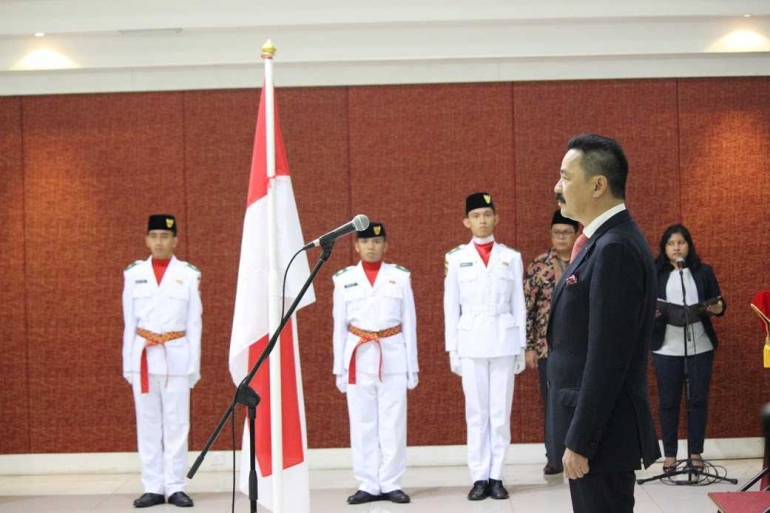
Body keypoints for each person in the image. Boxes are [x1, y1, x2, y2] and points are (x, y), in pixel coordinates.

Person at [547, 134, 660, 513]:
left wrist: (580, 439)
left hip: (601, 437)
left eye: (565, 177)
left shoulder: (615, 248)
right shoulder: (601, 242)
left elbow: (607, 357)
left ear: (598, 184)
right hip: (596, 430)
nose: (557, 186)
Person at [444, 192, 526, 501]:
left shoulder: (511, 257)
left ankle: (497, 475)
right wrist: (453, 348)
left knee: (500, 414)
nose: (482, 220)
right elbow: (451, 306)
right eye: (476, 215)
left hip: (504, 339)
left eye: (487, 214)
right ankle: (478, 476)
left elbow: (519, 303)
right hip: (471, 340)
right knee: (476, 414)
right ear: (467, 221)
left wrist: (521, 345)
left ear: (496, 218)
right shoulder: (456, 258)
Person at [332, 222, 419, 505]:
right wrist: (339, 369)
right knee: (362, 423)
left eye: (377, 241)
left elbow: (410, 324)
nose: (371, 246)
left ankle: (392, 482)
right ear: (356, 245)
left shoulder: (400, 278)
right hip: (358, 358)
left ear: (386, 245)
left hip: (392, 356)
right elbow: (339, 328)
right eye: (365, 241)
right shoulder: (344, 279)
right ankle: (368, 482)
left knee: (393, 423)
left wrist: (412, 366)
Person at [122, 214, 202, 509]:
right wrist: (128, 364)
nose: (159, 241)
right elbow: (128, 322)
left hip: (177, 356)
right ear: (146, 239)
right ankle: (153, 486)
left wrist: (194, 366)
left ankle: (175, 485)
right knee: (148, 424)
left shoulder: (188, 274)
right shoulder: (133, 274)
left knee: (177, 424)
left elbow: (195, 324)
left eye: (165, 236)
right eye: (154, 236)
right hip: (143, 357)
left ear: (175, 240)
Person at [652, 224, 725, 473]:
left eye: (681, 242)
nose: (676, 247)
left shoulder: (703, 271)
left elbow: (719, 302)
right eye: (671, 243)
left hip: (699, 345)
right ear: (664, 248)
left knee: (697, 400)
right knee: (668, 402)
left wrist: (716, 307)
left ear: (688, 245)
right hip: (666, 347)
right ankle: (670, 455)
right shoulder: (655, 272)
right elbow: (642, 304)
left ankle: (695, 453)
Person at [523, 210, 580, 475]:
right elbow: (528, 309)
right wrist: (530, 347)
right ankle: (554, 457)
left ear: (576, 234)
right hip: (548, 348)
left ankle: (581, 452)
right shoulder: (538, 265)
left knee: (583, 400)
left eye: (566, 232)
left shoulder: (585, 260)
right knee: (551, 403)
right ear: (550, 235)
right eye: (556, 232)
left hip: (582, 346)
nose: (561, 237)